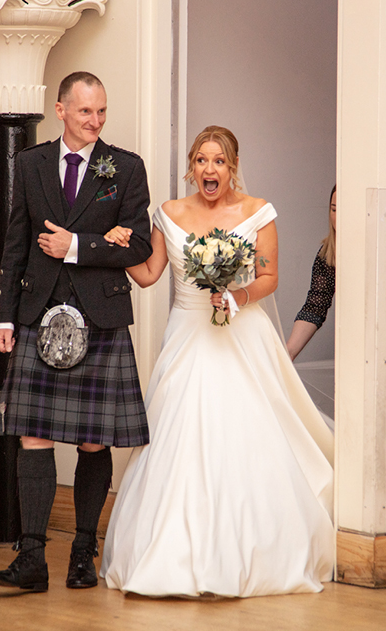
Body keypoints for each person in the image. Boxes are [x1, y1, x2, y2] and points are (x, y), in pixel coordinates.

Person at [99, 125, 334, 597]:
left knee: (246, 434)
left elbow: (268, 276)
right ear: (192, 166)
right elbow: (148, 275)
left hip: (241, 334)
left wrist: (238, 294)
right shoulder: (169, 213)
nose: (211, 169)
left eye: (220, 161)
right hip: (187, 335)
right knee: (179, 437)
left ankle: (249, 552)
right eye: (203, 160)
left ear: (232, 167)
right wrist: (116, 247)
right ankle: (173, 553)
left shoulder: (257, 213)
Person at [0, 71, 153, 593]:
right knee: (32, 436)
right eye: (85, 112)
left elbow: (140, 247)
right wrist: (6, 316)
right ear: (60, 109)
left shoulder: (125, 168)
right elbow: (16, 243)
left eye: (101, 111)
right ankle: (31, 558)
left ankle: (84, 553)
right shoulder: (30, 163)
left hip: (98, 318)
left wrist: (79, 246)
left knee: (92, 441)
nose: (95, 121)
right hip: (39, 314)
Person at [286, 185, 336, 360]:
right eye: (334, 210)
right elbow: (316, 305)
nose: (339, 217)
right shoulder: (328, 254)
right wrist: (288, 353)